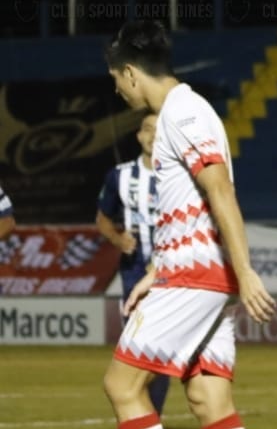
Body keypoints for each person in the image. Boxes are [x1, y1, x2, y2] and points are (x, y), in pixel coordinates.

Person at [102, 20, 275, 429]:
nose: (117, 90)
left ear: (130, 72)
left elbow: (220, 190)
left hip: (194, 276)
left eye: (116, 79)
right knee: (207, 400)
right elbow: (190, 205)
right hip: (197, 275)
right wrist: (155, 271)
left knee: (122, 386)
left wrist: (246, 271)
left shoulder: (183, 113)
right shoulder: (181, 112)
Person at [96, 113, 170, 417]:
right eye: (148, 129)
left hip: (172, 276)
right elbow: (102, 219)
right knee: (139, 350)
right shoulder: (120, 176)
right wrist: (118, 238)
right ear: (138, 136)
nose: (153, 135)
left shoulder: (180, 177)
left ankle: (152, 416)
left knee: (163, 350)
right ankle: (146, 414)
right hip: (134, 274)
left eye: (159, 130)